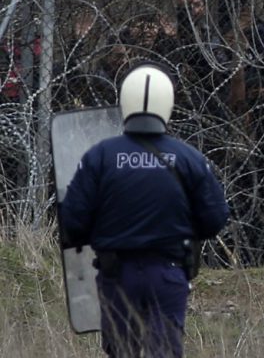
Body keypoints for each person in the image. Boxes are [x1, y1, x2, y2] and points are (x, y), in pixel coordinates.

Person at [59, 63, 230, 358]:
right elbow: (215, 219)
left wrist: (102, 230)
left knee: (121, 351)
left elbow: (72, 222)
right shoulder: (189, 158)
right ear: (168, 103)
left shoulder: (100, 156)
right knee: (164, 351)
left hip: (116, 274)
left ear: (125, 101)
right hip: (168, 273)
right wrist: (181, 229)